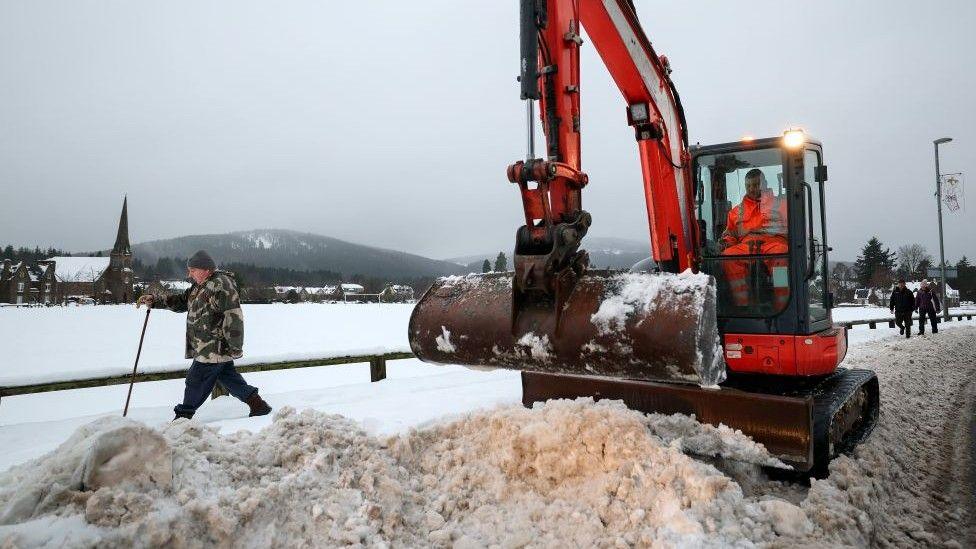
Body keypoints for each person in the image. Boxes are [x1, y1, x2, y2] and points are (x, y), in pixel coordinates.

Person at [137, 250, 271, 420]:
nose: (190, 274)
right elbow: (181, 301)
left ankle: (183, 417)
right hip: (206, 345)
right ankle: (258, 405)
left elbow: (233, 316)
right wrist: (154, 301)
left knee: (196, 381)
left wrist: (235, 346)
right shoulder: (201, 285)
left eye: (193, 270)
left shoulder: (221, 285)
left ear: (206, 269)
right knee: (229, 378)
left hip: (214, 346)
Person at [720, 169, 789, 310]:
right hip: (747, 246)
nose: (752, 189)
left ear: (764, 184)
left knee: (782, 255)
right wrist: (727, 242)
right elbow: (730, 234)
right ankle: (742, 306)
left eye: (756, 184)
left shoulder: (782, 205)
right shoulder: (736, 211)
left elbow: (794, 229)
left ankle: (783, 306)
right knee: (728, 256)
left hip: (774, 243)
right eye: (748, 186)